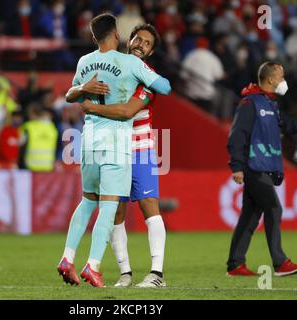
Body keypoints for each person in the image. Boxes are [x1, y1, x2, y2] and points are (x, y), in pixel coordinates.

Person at [57, 13, 171, 288]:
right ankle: (125, 273)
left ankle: (156, 273)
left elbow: (128, 110)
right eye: (138, 39)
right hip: (115, 146)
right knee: (114, 211)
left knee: (147, 206)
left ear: (151, 51)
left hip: (139, 147)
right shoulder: (123, 66)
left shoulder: (145, 78)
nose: (141, 44)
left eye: (147, 43)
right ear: (126, 38)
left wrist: (92, 106)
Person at [226, 61, 297, 276]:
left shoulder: (271, 104)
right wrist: (237, 166)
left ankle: (235, 264)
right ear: (271, 79)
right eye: (281, 75)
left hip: (265, 166)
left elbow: (290, 125)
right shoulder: (250, 103)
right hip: (253, 166)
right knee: (274, 208)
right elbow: (237, 135)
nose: (284, 80)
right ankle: (279, 262)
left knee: (250, 216)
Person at [18, 104, 58, 172]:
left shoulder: (28, 127)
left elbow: (21, 147)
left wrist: (20, 166)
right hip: (48, 167)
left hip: (31, 167)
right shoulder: (51, 128)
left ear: (31, 114)